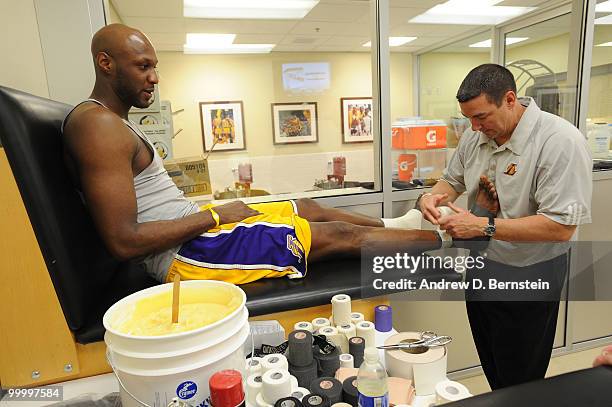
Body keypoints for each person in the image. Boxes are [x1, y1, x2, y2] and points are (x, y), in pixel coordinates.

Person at [62, 24, 483, 286]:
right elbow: (123, 240)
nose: (154, 77)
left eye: (154, 65)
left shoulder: (115, 123)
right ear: (106, 63)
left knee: (302, 205)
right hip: (188, 257)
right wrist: (213, 216)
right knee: (337, 233)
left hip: (197, 235)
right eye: (142, 66)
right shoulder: (97, 125)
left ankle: (397, 222)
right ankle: (447, 241)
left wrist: (212, 216)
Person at [418, 63, 592, 389]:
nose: (473, 127)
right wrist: (431, 197)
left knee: (521, 375)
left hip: (531, 272)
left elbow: (560, 227)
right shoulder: (476, 136)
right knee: (493, 362)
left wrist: (483, 226)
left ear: (510, 99)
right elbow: (450, 181)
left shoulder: (559, 141)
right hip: (483, 266)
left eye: (481, 116)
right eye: (468, 118)